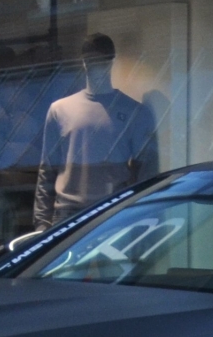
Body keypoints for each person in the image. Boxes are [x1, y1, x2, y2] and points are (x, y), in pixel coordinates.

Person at [34, 33, 159, 229]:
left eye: (102, 60)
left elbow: (146, 174)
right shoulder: (59, 110)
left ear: (112, 61)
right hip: (68, 214)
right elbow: (47, 171)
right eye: (93, 60)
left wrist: (141, 221)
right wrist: (41, 224)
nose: (97, 66)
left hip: (114, 212)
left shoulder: (136, 113)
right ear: (84, 63)